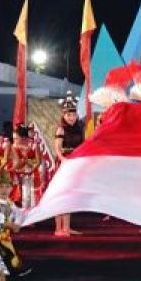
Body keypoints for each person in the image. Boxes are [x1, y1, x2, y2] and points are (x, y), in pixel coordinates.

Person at [53, 99, 85, 237]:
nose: (71, 118)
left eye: (73, 115)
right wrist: (63, 160)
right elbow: (57, 149)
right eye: (68, 115)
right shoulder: (61, 128)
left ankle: (67, 227)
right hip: (64, 163)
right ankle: (58, 228)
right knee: (61, 195)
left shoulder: (79, 128)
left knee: (69, 196)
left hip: (75, 163)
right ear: (63, 115)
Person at [10, 124, 45, 207]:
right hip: (25, 168)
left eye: (16, 138)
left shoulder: (34, 144)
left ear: (23, 138)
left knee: (34, 192)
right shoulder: (15, 146)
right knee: (25, 192)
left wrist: (31, 170)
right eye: (13, 138)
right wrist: (14, 169)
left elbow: (39, 161)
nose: (14, 140)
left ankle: (35, 213)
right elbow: (17, 162)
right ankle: (25, 212)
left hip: (37, 168)